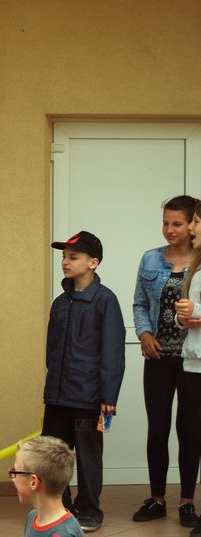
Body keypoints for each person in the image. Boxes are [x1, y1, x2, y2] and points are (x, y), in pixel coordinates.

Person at [44, 231, 125, 533]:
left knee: (88, 457)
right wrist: (52, 386)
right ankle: (60, 506)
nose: (65, 262)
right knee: (53, 455)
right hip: (57, 396)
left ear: (93, 262)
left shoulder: (105, 301)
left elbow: (113, 352)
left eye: (73, 257)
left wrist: (109, 395)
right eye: (64, 256)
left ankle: (90, 509)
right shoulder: (60, 303)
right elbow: (52, 350)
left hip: (88, 397)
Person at [131, 195, 200, 527]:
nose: (169, 230)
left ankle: (187, 501)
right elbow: (140, 304)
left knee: (190, 429)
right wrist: (144, 333)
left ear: (192, 224)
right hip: (157, 357)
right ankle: (156, 498)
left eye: (177, 224)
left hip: (192, 361)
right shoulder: (150, 259)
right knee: (157, 428)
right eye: (165, 223)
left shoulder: (200, 261)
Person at [175, 201, 201, 537]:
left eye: (194, 221)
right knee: (193, 435)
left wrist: (195, 310)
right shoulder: (196, 266)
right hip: (193, 363)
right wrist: (187, 317)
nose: (190, 228)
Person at [11, 436, 84, 537]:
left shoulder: (62, 534)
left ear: (33, 482)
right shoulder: (33, 516)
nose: (13, 478)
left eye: (15, 472)